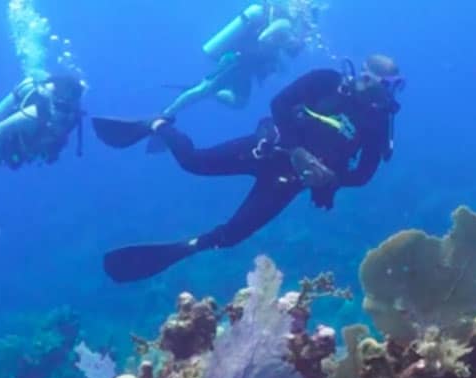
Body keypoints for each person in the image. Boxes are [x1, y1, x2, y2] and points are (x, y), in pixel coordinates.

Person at [92, 54, 405, 282]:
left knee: (232, 236)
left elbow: (363, 175)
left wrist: (333, 179)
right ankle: (158, 125)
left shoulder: (377, 123)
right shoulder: (325, 81)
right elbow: (279, 104)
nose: (391, 95)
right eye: (388, 85)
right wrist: (297, 151)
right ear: (365, 77)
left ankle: (187, 247)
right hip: (266, 150)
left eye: (396, 87)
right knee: (193, 163)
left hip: (288, 182)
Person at [160, 0, 323, 117]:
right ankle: (166, 114)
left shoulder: (289, 26)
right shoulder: (285, 23)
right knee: (203, 90)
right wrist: (284, 44)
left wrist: (278, 60)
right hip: (238, 60)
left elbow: (273, 48)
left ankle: (209, 92)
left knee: (239, 102)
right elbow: (263, 39)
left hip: (247, 67)